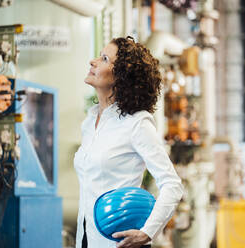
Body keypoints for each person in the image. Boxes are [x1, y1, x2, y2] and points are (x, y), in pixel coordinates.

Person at [74, 36, 184, 248]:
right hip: (86, 239)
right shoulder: (90, 122)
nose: (93, 61)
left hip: (119, 243)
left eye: (104, 59)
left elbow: (172, 185)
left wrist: (147, 232)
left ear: (121, 77)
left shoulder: (137, 124)